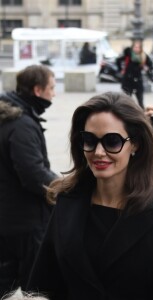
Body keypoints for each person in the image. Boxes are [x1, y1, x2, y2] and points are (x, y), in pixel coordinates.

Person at [26, 92, 153, 300]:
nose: (99, 152)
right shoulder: (67, 200)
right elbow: (43, 282)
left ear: (135, 144)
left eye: (112, 141)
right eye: (89, 140)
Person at [0, 65, 58, 296]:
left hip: (8, 218)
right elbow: (34, 174)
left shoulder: (9, 117)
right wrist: (62, 188)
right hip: (24, 222)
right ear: (37, 90)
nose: (54, 94)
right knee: (36, 285)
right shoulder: (22, 124)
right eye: (51, 88)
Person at [116, 39, 153, 109]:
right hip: (128, 80)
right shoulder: (128, 55)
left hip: (138, 80)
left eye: (138, 47)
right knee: (126, 101)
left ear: (141, 48)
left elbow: (151, 66)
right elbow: (118, 60)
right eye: (135, 47)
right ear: (132, 47)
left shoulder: (143, 56)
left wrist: (147, 68)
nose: (136, 49)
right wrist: (120, 70)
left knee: (140, 102)